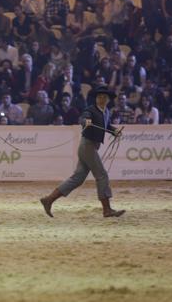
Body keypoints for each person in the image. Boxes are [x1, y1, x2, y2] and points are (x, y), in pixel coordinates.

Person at [40, 86, 125, 218]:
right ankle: (107, 210)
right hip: (87, 146)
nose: (101, 98)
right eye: (99, 96)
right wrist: (86, 121)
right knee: (102, 175)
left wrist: (114, 131)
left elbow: (106, 126)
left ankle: (48, 200)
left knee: (78, 178)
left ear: (108, 99)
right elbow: (83, 118)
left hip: (88, 147)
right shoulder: (90, 110)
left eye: (104, 97)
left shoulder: (106, 111)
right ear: (96, 98)